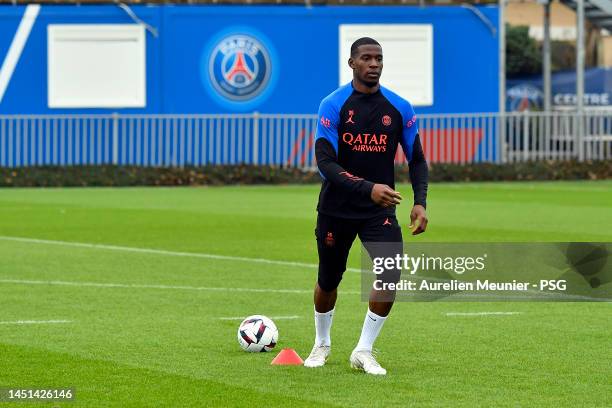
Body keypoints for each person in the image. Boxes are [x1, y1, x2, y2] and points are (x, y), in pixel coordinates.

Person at [303, 37, 429, 375]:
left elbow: (416, 159)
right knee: (329, 280)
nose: (373, 64)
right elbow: (325, 162)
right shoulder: (333, 104)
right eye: (366, 58)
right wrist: (367, 187)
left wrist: (420, 202)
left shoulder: (399, 107)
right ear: (352, 64)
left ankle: (364, 350)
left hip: (378, 210)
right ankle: (322, 343)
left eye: (379, 59)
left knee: (389, 274)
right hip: (337, 208)